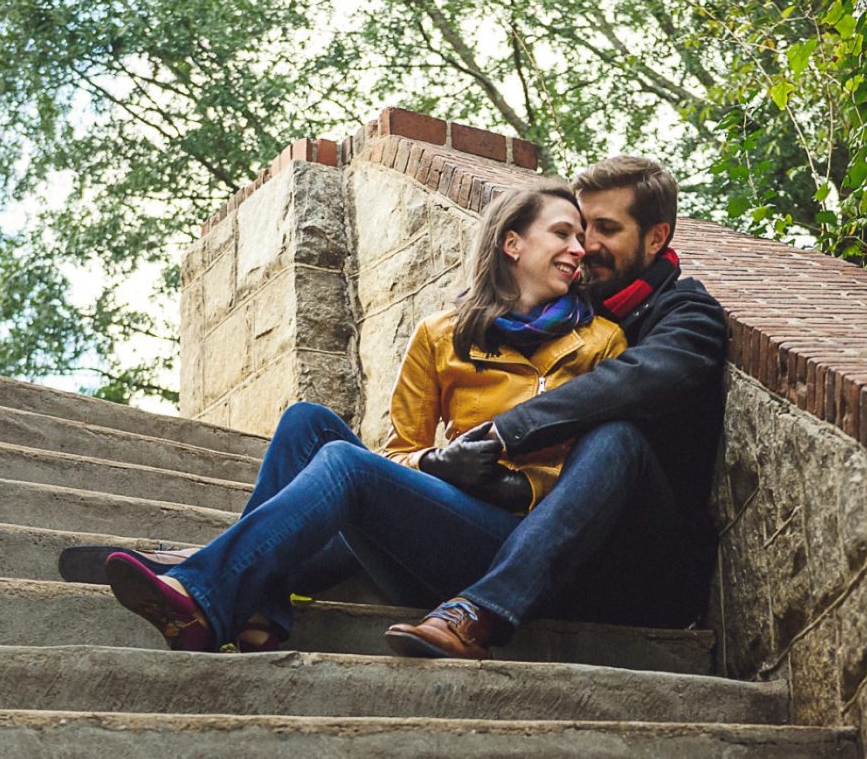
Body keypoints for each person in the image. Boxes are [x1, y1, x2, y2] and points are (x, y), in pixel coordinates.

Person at [96, 177, 625, 656]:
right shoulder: (441, 334)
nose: (579, 250)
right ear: (512, 243)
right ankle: (259, 611)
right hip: (428, 536)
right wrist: (437, 463)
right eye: (562, 234)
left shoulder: (602, 341)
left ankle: (208, 594)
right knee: (307, 421)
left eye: (580, 238)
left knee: (345, 464)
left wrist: (517, 486)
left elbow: (599, 474)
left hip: (514, 549)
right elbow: (400, 451)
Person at [381, 152, 728, 659]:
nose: (586, 246)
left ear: (656, 238)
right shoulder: (564, 313)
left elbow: (632, 380)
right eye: (580, 229)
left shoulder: (687, 314)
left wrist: (502, 433)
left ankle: (479, 613)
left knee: (616, 436)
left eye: (607, 229)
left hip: (640, 566)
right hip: (539, 549)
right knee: (324, 443)